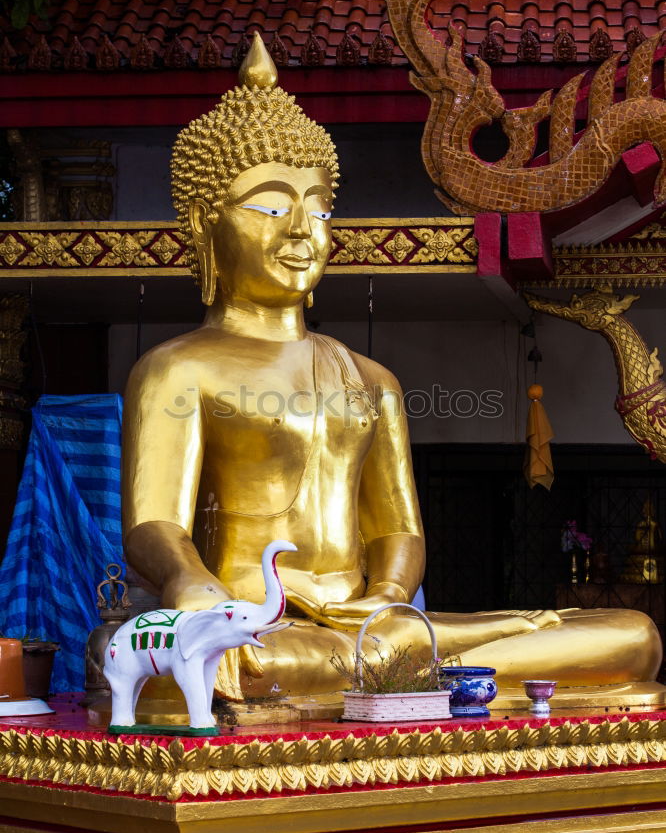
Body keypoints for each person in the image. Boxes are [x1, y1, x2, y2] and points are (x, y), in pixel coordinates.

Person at [122, 34, 662, 704]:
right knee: (232, 665)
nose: (301, 230)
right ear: (205, 224)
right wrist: (189, 583)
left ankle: (400, 666)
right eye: (268, 206)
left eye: (317, 208)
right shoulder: (178, 369)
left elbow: (397, 529)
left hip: (371, 628)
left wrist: (387, 601)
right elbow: (154, 525)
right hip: (245, 626)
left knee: (634, 636)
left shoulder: (370, 380)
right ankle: (398, 671)